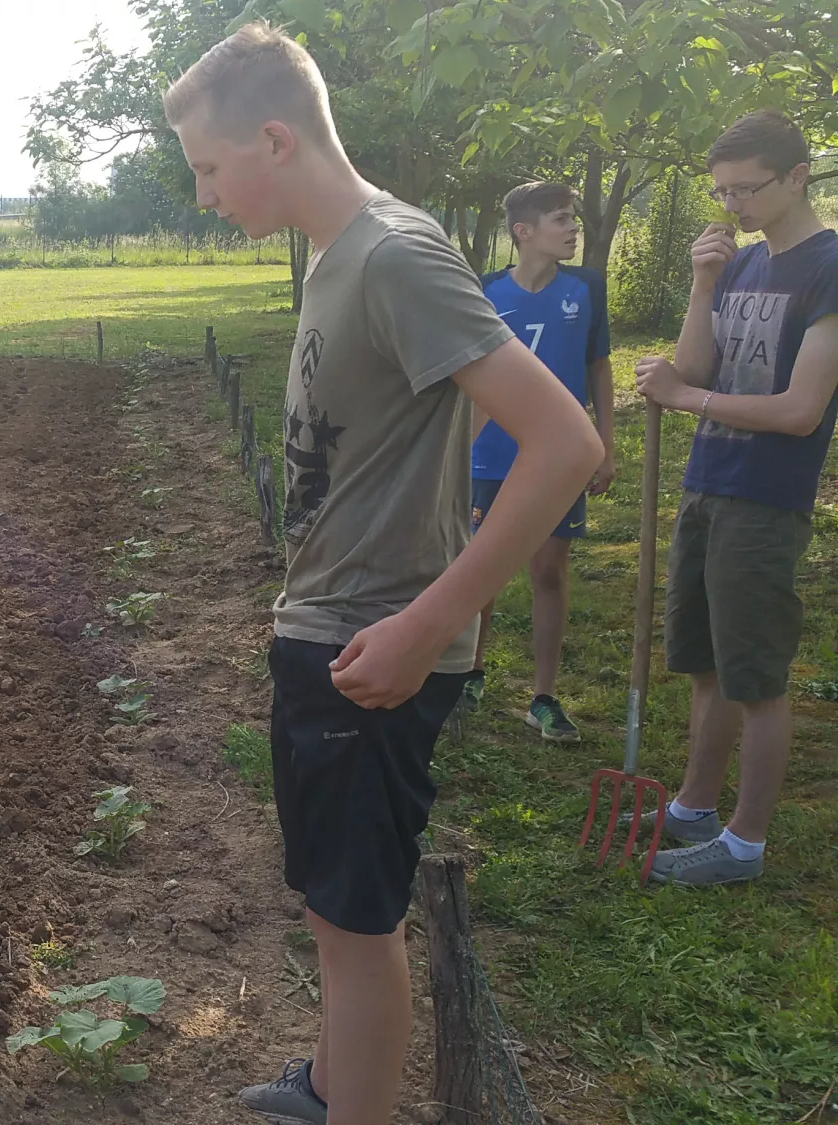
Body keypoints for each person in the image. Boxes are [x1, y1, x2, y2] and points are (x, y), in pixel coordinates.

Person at [161, 24, 602, 1125]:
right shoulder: (338, 251)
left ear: (271, 140)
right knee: (330, 907)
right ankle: (329, 1082)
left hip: (372, 646)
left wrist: (426, 623)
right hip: (334, 627)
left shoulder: (395, 255)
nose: (205, 196)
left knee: (356, 930)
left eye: (208, 170)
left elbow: (564, 445)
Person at [633, 109, 838, 887]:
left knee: (756, 676)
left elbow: (799, 409)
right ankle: (692, 805)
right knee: (706, 664)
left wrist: (689, 401)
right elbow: (696, 364)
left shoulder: (828, 268)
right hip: (708, 483)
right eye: (721, 193)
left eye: (746, 190)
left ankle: (744, 842)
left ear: (796, 177)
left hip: (765, 497)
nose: (733, 207)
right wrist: (704, 281)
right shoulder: (744, 264)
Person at [467, 182, 617, 740]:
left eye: (573, 218)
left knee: (549, 570)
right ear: (523, 232)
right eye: (561, 219)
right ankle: (469, 670)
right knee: (479, 567)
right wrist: (462, 447)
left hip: (558, 459)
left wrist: (605, 441)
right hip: (491, 455)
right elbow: (472, 370)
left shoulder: (587, 288)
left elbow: (598, 367)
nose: (574, 228)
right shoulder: (485, 290)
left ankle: (544, 696)